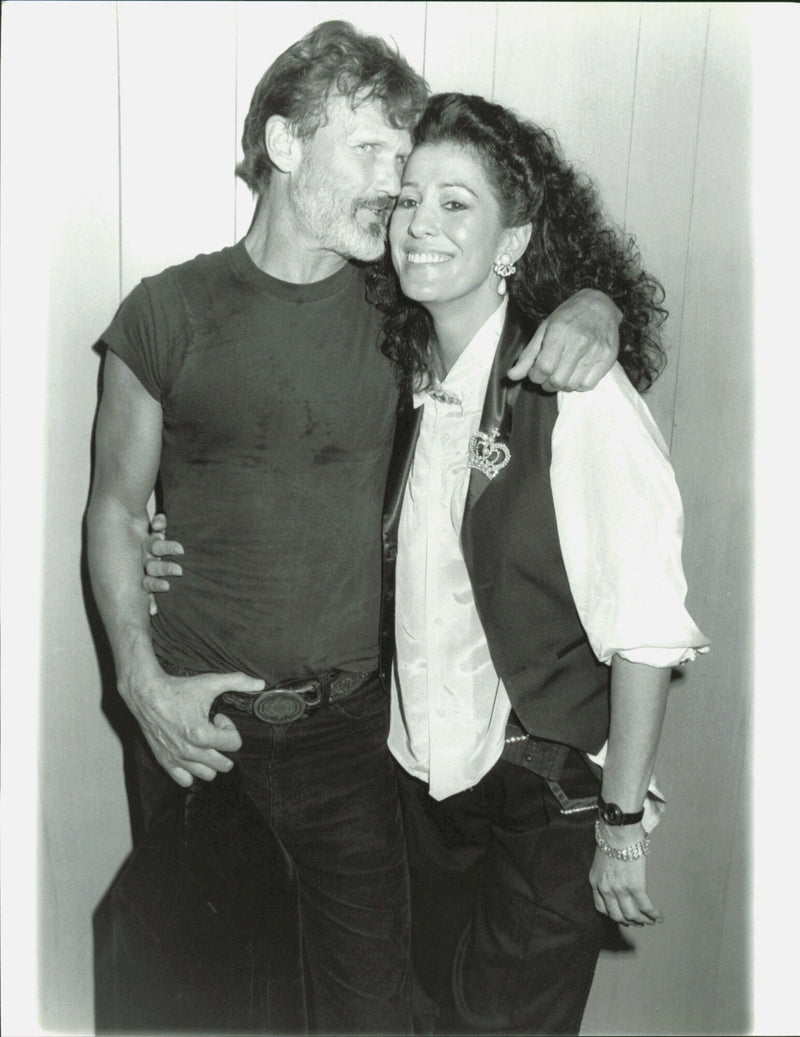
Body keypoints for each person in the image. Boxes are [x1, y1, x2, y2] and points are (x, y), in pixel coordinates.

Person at [87, 21, 624, 1036]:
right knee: (199, 1007)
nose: (393, 179)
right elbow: (114, 509)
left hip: (350, 739)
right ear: (284, 146)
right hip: (197, 728)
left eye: (400, 151)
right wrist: (138, 680)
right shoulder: (167, 312)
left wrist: (593, 303)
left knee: (372, 1010)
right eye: (370, 149)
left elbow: (536, 292)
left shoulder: (400, 307)